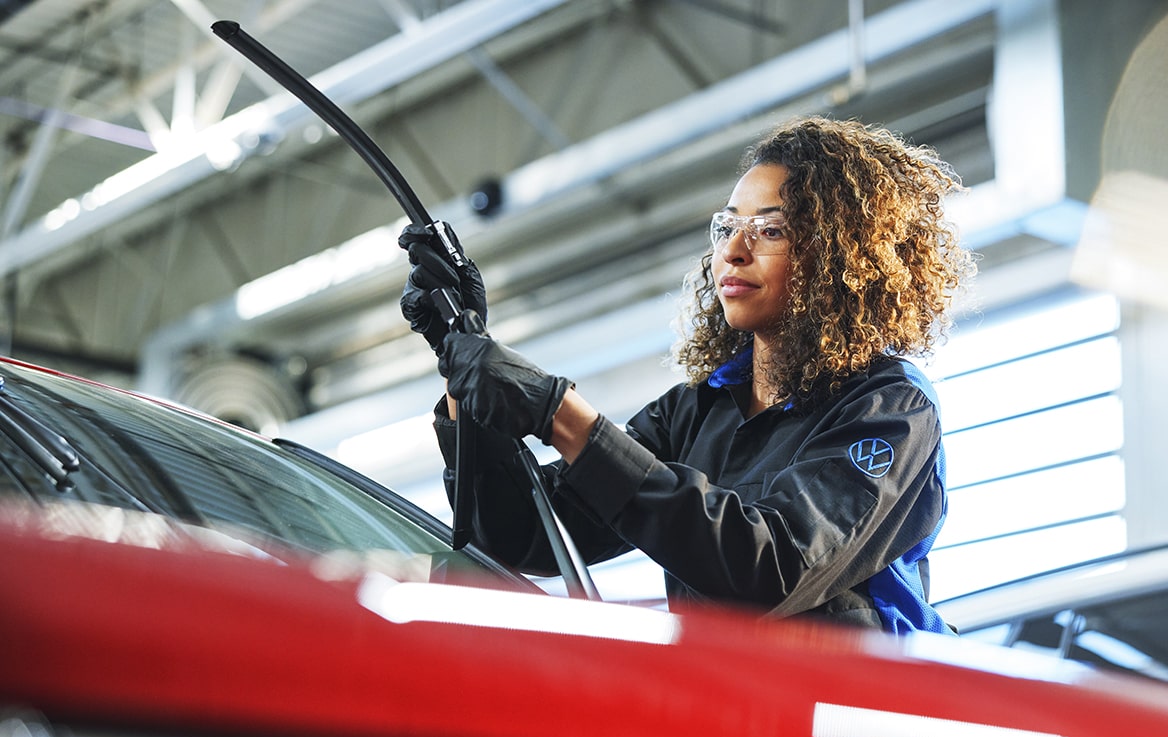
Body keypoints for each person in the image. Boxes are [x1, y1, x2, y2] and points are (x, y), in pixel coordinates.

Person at [398, 116, 976, 634]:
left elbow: (771, 568)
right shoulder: (695, 412)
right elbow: (517, 534)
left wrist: (559, 414)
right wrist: (459, 348)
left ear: (839, 255)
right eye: (728, 227)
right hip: (731, 726)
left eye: (771, 230)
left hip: (857, 728)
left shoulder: (890, 408)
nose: (735, 251)